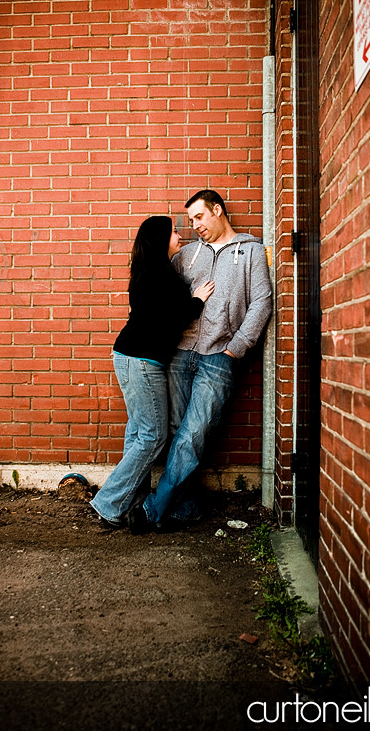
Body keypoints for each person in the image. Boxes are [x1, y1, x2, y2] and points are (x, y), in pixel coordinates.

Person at [128, 189, 272, 533]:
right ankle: (187, 506)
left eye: (199, 217)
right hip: (180, 354)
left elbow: (262, 303)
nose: (195, 226)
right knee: (177, 432)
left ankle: (152, 511)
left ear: (217, 210)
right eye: (190, 221)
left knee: (193, 435)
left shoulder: (250, 252)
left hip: (218, 358)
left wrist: (236, 347)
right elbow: (158, 288)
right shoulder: (187, 254)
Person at [89, 215, 215, 528]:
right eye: (174, 231)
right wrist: (196, 300)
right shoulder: (159, 273)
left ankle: (130, 500)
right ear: (160, 238)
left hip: (134, 357)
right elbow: (172, 317)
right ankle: (109, 503)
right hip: (141, 361)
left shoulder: (150, 271)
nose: (179, 235)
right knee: (153, 436)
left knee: (138, 432)